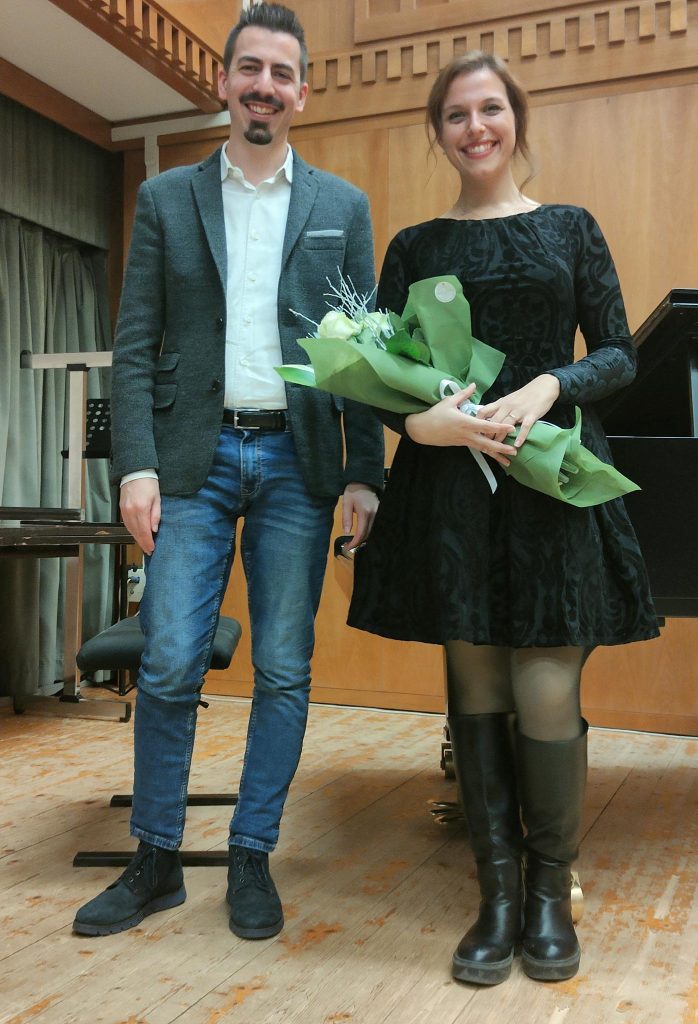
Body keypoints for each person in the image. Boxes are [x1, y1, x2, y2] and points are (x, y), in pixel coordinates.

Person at [347, 52, 659, 985]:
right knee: (476, 684)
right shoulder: (414, 245)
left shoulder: (570, 227)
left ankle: (549, 894)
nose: (475, 127)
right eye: (456, 115)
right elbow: (377, 379)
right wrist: (423, 425)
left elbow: (619, 352)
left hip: (549, 480)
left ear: (516, 119)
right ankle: (496, 893)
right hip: (453, 490)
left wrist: (551, 384)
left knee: (546, 684)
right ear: (438, 133)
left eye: (490, 109)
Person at [73, 2, 383, 940]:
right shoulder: (168, 197)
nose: (264, 86)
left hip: (299, 460)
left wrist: (364, 472)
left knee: (284, 667)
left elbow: (366, 354)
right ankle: (156, 860)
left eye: (282, 73)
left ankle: (251, 856)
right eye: (250, 68)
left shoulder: (341, 207)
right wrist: (134, 466)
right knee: (170, 659)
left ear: (301, 92)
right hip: (190, 460)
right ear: (224, 80)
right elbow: (136, 344)